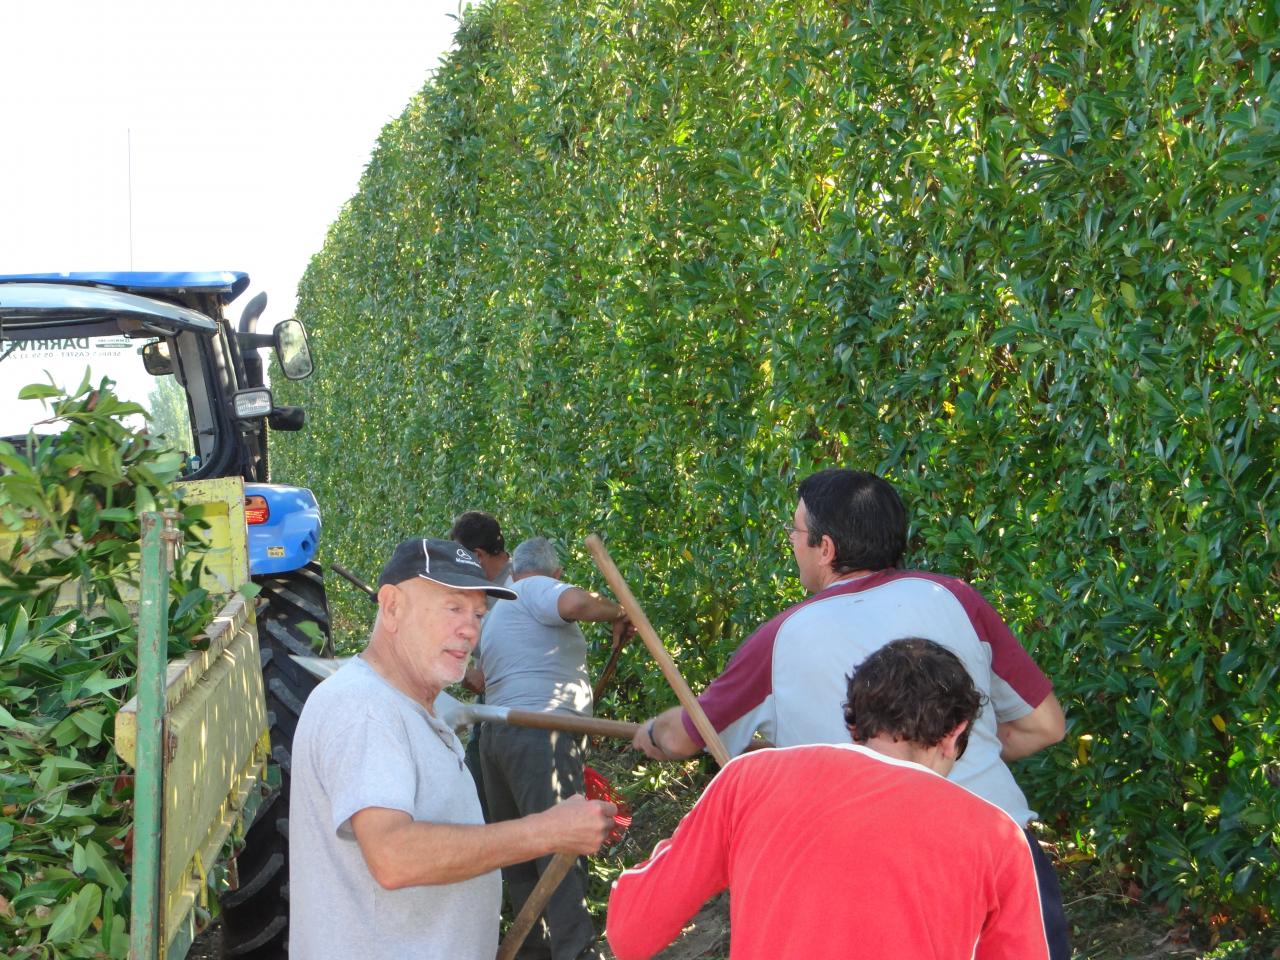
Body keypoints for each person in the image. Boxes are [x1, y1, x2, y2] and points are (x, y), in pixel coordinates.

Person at [631, 468, 1069, 957]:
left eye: (795, 533)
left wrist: (651, 731)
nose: (792, 544)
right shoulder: (956, 598)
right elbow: (1045, 725)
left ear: (826, 549)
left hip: (865, 879)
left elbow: (682, 737)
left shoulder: (781, 639)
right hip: (1002, 849)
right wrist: (957, 754)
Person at [607, 638, 1054, 960]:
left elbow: (629, 932)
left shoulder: (749, 779)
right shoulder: (996, 837)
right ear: (955, 733)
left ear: (854, 722)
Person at [289, 537, 616, 960]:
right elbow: (393, 856)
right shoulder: (364, 707)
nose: (470, 628)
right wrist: (548, 831)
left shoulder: (410, 710)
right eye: (452, 608)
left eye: (478, 613)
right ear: (392, 607)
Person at [478, 536, 632, 960]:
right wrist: (621, 611)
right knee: (564, 844)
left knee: (521, 851)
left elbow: (477, 680)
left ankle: (532, 952)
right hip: (539, 735)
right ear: (556, 574)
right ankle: (574, 952)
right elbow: (577, 605)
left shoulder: (496, 614)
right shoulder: (533, 588)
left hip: (496, 740)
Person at [449, 510, 514, 808]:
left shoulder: (516, 585)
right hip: (490, 704)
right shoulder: (482, 588)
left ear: (478, 554)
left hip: (516, 705)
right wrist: (469, 670)